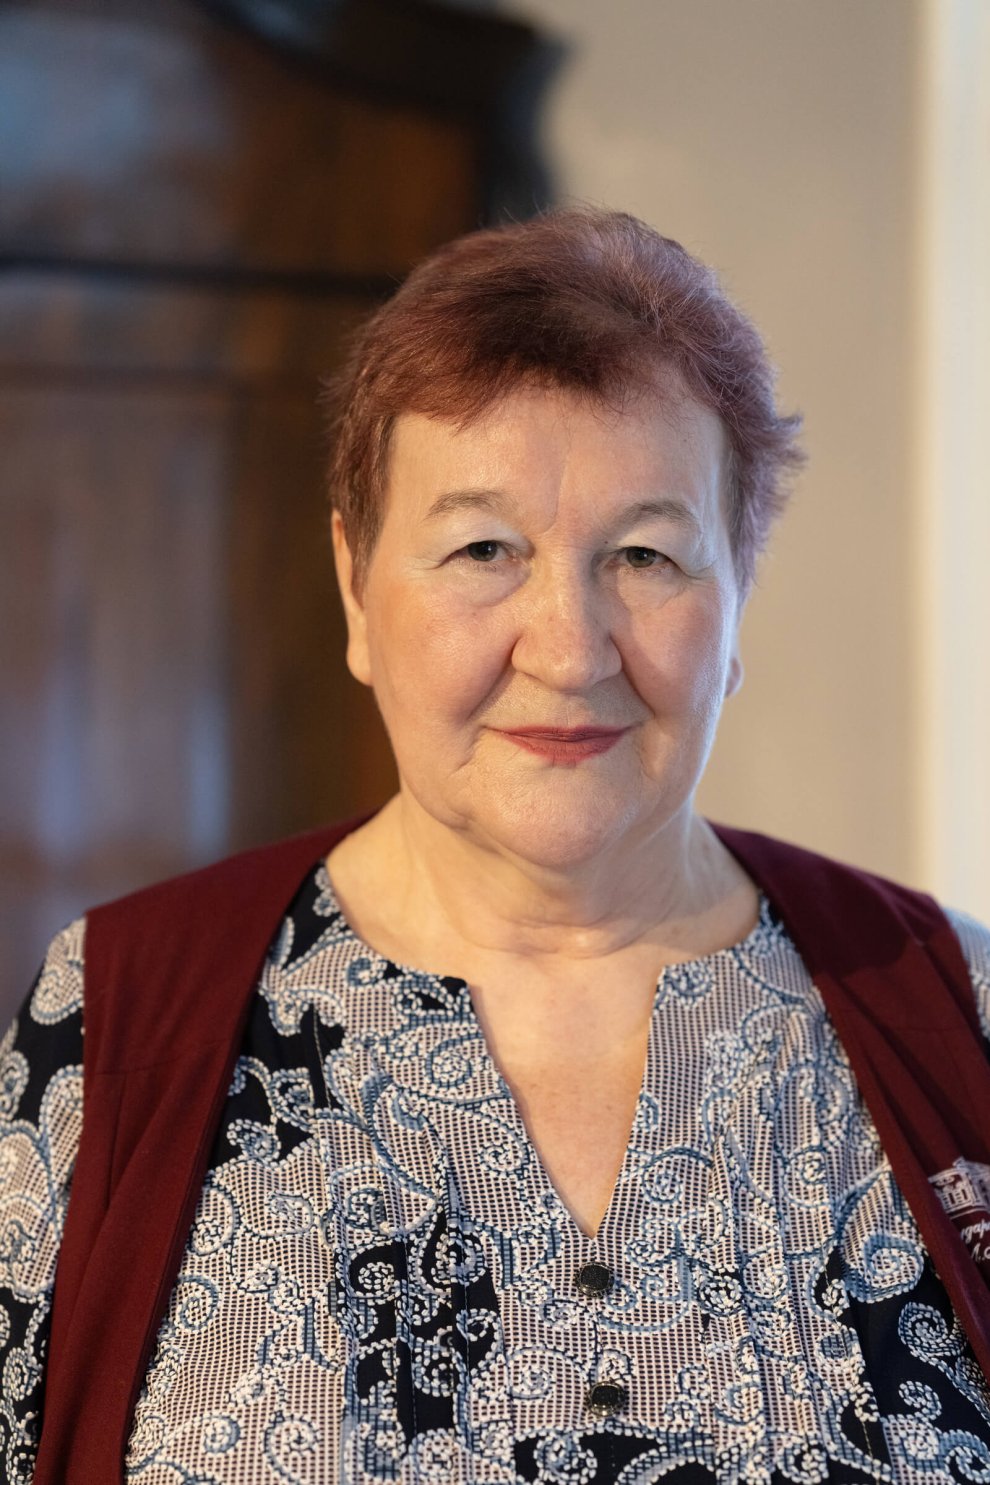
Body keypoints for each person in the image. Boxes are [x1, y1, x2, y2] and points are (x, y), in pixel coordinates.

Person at [3, 207, 990, 1485]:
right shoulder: (119, 1015)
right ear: (357, 588)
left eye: (646, 555)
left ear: (738, 595)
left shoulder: (951, 1008)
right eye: (483, 549)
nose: (569, 650)